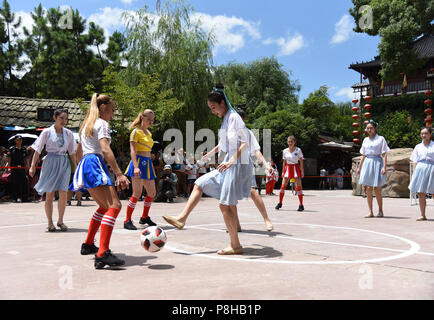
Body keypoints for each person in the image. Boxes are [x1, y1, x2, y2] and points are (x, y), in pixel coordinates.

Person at [163, 83, 253, 255]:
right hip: (228, 162)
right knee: (199, 183)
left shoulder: (234, 117)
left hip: (236, 164)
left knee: (225, 205)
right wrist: (208, 155)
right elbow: (222, 144)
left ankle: (235, 245)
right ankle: (181, 219)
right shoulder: (226, 120)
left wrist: (231, 160)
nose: (213, 111)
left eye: (213, 107)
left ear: (222, 103)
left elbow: (244, 143)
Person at [70, 93, 130, 269]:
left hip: (85, 164)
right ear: (103, 108)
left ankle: (88, 244)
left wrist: (80, 170)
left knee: (104, 207)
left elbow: (78, 152)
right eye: (112, 110)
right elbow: (105, 148)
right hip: (94, 163)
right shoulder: (102, 123)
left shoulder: (86, 125)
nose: (112, 114)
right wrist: (119, 174)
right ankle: (103, 253)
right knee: (115, 206)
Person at [29, 109, 77, 232]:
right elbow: (38, 149)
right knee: (49, 193)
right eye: (61, 118)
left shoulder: (69, 134)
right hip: (50, 162)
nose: (64, 121)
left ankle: (60, 221)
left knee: (63, 192)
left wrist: (76, 167)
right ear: (55, 118)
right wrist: (33, 165)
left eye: (66, 119)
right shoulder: (46, 132)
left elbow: (72, 152)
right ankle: (50, 222)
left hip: (64, 162)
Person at [123, 109, 157, 230]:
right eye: (149, 119)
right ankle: (127, 220)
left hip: (147, 163)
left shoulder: (148, 133)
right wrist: (136, 167)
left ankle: (144, 217)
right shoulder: (135, 132)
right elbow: (132, 151)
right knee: (137, 193)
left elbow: (148, 150)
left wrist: (151, 163)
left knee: (152, 193)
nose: (151, 122)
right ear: (142, 117)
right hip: (138, 162)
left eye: (152, 120)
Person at [356, 119, 390, 218]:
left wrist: (384, 167)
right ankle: (370, 211)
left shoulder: (381, 139)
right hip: (367, 163)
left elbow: (384, 154)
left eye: (371, 128)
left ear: (375, 128)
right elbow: (363, 155)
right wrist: (359, 167)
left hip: (377, 162)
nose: (369, 130)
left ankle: (380, 210)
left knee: (377, 188)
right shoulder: (365, 140)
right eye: (368, 128)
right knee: (368, 188)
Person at [408, 127, 434, 221]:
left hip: (432, 168)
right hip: (420, 168)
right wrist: (414, 172)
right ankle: (423, 215)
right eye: (422, 133)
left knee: (433, 192)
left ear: (430, 134)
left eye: (426, 133)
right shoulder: (418, 146)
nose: (423, 135)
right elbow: (415, 160)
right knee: (421, 192)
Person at [275, 136, 305, 211]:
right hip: (287, 168)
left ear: (294, 142)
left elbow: (301, 161)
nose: (290, 143)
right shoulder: (285, 151)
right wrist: (282, 171)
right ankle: (280, 203)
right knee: (282, 187)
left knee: (298, 187)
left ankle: (301, 204)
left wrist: (302, 171)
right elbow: (284, 162)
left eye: (291, 141)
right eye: (288, 141)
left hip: (295, 167)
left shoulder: (298, 150)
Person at [6, 135, 30, 203]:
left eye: (20, 140)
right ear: (15, 140)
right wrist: (9, 167)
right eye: (18, 140)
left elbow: (26, 158)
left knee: (24, 182)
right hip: (14, 167)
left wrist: (27, 165)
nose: (19, 141)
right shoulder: (11, 149)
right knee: (15, 183)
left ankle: (24, 198)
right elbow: (9, 158)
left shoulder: (24, 149)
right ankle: (15, 198)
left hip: (22, 167)